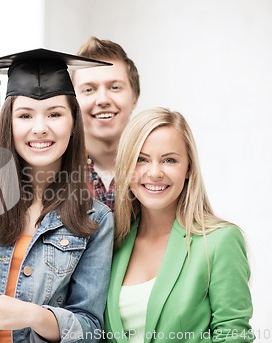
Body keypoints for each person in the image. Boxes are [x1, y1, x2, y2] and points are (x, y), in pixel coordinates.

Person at [0, 49, 115, 342]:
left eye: (54, 114)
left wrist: (32, 315)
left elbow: (90, 329)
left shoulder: (95, 220)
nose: (39, 128)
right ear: (9, 124)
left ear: (72, 123)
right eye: (25, 115)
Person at [104, 108, 254, 342]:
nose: (154, 172)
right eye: (141, 159)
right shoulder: (111, 242)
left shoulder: (219, 241)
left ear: (188, 169)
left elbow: (233, 335)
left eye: (169, 160)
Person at [72, 37, 140, 212]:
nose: (102, 100)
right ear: (71, 102)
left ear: (134, 98)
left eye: (115, 87)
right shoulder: (52, 173)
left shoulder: (156, 171)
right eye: (89, 89)